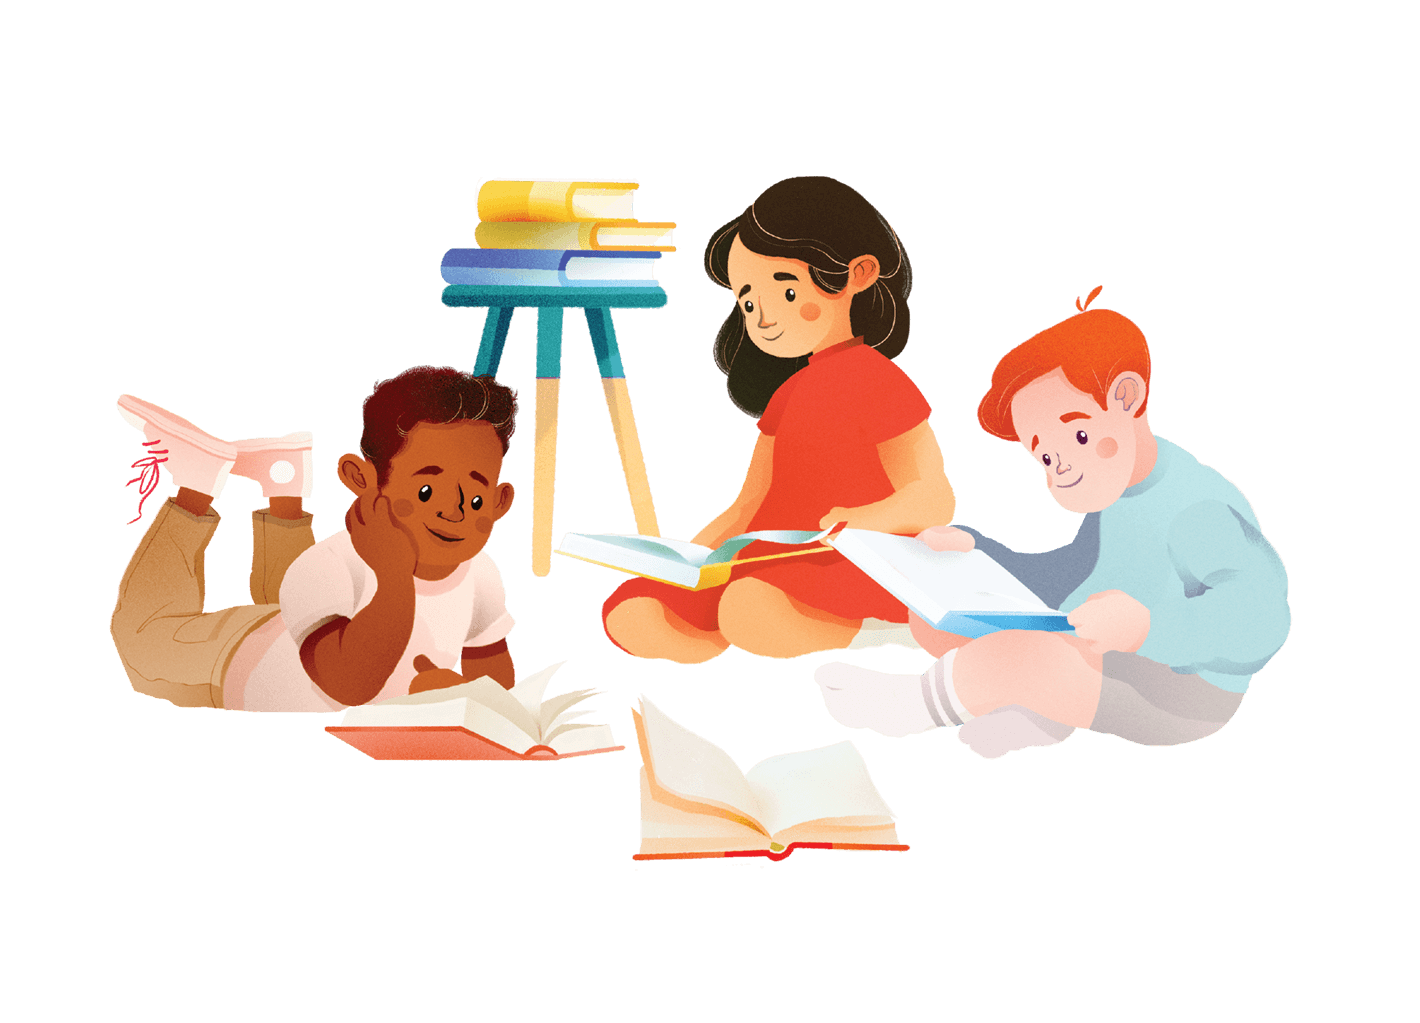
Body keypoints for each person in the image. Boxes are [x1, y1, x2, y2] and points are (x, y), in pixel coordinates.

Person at [815, 287, 1290, 758]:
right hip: (1097, 648)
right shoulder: (1120, 490)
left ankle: (918, 705)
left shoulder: (1195, 508)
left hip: (1178, 691)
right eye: (1044, 455)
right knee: (932, 620)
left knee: (1024, 657)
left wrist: (1148, 628)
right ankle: (1039, 713)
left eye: (1078, 434)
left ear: (1126, 396)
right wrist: (977, 553)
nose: (1060, 468)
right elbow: (1069, 574)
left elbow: (1263, 621)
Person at [602, 176, 956, 663]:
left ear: (859, 273)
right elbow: (749, 503)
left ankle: (876, 632)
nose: (762, 316)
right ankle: (727, 635)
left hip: (853, 557)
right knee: (637, 609)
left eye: (785, 292)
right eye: (748, 301)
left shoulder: (879, 381)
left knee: (751, 606)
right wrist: (688, 561)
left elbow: (935, 495)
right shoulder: (789, 393)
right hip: (767, 556)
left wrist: (865, 521)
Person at [111, 367, 519, 712]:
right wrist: (393, 577)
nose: (455, 512)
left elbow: (490, 663)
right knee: (143, 644)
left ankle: (283, 479)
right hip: (238, 659)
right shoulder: (330, 564)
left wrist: (470, 702)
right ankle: (196, 485)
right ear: (362, 479)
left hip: (304, 623)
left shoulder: (480, 572)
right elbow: (349, 686)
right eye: (426, 492)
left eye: (477, 498)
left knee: (295, 594)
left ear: (501, 502)